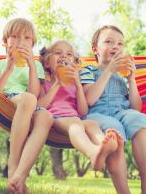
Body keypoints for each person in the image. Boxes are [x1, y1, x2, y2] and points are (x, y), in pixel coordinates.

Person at [80, 25, 146, 194]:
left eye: (120, 44)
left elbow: (136, 107)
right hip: (97, 115)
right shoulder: (87, 70)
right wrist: (109, 70)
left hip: (122, 112)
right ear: (95, 49)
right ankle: (123, 191)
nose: (115, 46)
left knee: (138, 119)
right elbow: (90, 99)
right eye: (109, 42)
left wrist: (131, 79)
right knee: (115, 130)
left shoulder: (122, 76)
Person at [0, 18, 53, 194]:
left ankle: (20, 176)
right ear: (5, 42)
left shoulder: (36, 66)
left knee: (46, 116)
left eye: (27, 38)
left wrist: (31, 66)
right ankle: (13, 166)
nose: (21, 41)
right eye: (14, 36)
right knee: (29, 99)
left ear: (32, 44)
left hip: (27, 106)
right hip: (5, 101)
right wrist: (8, 68)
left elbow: (34, 93)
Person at [38, 40, 118, 171]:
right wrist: (57, 84)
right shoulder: (44, 83)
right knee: (75, 126)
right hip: (55, 119)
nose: (64, 56)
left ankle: (103, 143)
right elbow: (40, 106)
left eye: (69, 54)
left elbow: (82, 111)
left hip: (76, 119)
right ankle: (92, 152)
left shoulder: (74, 86)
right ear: (47, 63)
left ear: (74, 64)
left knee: (92, 124)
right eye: (58, 53)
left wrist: (78, 85)